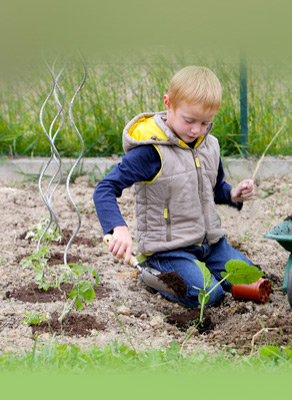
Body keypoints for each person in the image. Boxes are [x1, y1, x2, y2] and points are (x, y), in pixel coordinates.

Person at [93, 65, 256, 308]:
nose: (196, 130)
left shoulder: (209, 146)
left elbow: (214, 188)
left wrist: (233, 194)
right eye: (189, 120)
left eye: (205, 122)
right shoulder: (151, 152)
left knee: (254, 280)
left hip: (209, 245)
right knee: (209, 295)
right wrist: (118, 228)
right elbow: (104, 189)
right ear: (168, 103)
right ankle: (154, 274)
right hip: (169, 250)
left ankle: (207, 274)